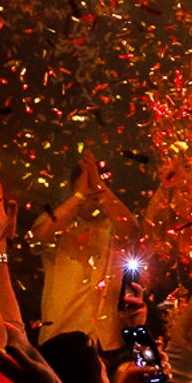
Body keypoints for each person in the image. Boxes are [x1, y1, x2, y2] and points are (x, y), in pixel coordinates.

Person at [31, 146, 138, 351]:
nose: (93, 190)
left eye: (99, 184)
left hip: (106, 341)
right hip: (60, 336)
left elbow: (132, 230)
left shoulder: (112, 226)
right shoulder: (56, 222)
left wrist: (100, 187)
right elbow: (39, 237)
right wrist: (79, 196)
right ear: (73, 187)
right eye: (87, 183)